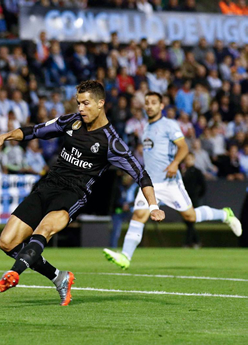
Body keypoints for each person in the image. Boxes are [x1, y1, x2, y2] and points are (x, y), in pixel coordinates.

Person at [0, 81, 165, 306]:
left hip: (73, 194)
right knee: (7, 242)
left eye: (86, 103)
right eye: (79, 103)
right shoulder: (71, 121)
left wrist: (154, 206)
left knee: (43, 231)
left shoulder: (112, 142)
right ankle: (59, 277)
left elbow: (141, 174)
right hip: (47, 187)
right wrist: (5, 136)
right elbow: (34, 131)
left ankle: (14, 273)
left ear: (101, 104)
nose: (81, 108)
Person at [103, 92, 242, 270]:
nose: (150, 106)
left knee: (190, 216)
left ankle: (225, 214)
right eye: (147, 103)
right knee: (138, 215)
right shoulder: (146, 127)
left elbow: (184, 147)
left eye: (154, 103)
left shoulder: (169, 124)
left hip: (169, 182)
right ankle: (125, 257)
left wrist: (175, 163)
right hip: (149, 183)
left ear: (161, 106)